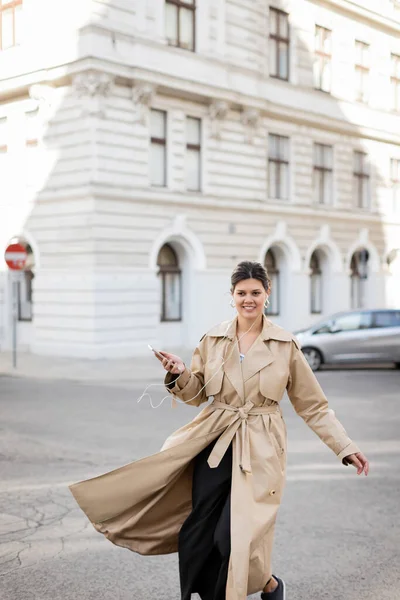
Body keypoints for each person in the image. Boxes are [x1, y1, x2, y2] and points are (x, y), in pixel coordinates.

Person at [70, 260, 369, 600]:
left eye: (256, 292)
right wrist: (179, 373)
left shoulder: (285, 345)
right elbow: (196, 393)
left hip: (261, 448)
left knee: (233, 536)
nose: (249, 300)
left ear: (267, 294)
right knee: (198, 532)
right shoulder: (213, 340)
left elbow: (312, 405)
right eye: (242, 293)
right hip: (214, 441)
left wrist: (344, 446)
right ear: (232, 296)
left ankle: (268, 584)